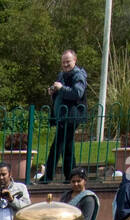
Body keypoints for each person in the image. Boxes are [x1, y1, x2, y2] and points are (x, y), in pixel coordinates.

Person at [39, 50, 88, 184]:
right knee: (67, 147)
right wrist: (53, 91)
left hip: (71, 116)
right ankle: (71, 176)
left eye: (68, 61)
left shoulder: (78, 75)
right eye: (63, 62)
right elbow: (61, 90)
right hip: (63, 116)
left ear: (75, 60)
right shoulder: (62, 74)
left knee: (57, 146)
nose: (65, 64)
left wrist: (61, 88)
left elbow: (77, 93)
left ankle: (48, 176)